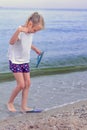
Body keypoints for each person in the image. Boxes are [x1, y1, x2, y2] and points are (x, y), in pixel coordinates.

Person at [7, 12, 45, 112]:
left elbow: (27, 43)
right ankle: (10, 102)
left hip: (24, 60)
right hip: (15, 61)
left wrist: (35, 48)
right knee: (21, 85)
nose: (34, 32)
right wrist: (19, 30)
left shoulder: (30, 32)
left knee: (28, 83)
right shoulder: (21, 31)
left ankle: (24, 107)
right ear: (30, 24)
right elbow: (11, 42)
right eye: (35, 30)